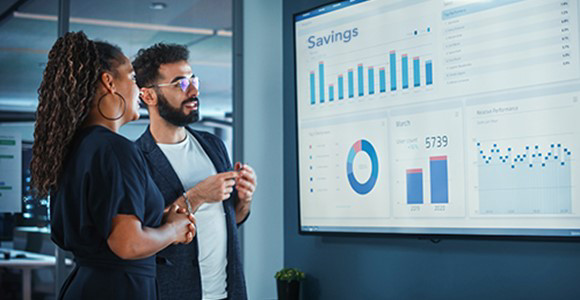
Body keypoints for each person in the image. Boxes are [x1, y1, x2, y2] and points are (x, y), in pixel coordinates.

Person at [30, 32, 196, 300]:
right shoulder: (115, 149)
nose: (138, 87)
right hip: (119, 290)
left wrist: (158, 220)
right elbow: (126, 243)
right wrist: (174, 231)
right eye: (131, 77)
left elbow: (105, 229)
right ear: (109, 82)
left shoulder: (77, 148)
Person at [133, 43, 257, 300]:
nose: (194, 90)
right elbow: (139, 237)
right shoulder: (134, 159)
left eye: (193, 80)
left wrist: (244, 201)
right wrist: (197, 196)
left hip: (227, 294)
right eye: (180, 84)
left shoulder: (213, 145)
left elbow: (228, 219)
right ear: (148, 96)